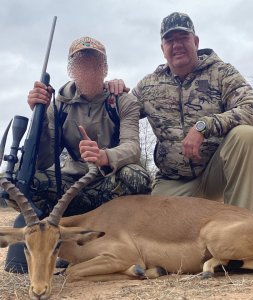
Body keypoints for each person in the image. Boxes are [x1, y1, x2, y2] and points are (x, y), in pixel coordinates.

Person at [5, 36, 151, 273]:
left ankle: (120, 242)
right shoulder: (58, 106)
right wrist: (38, 117)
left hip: (107, 181)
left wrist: (105, 156)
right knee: (22, 184)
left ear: (104, 67)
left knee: (137, 177)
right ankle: (53, 245)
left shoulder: (123, 101)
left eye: (94, 63)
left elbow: (132, 147)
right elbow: (42, 160)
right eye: (81, 63)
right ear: (71, 69)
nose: (88, 69)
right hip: (72, 183)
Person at [130, 12, 253, 212]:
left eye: (183, 38)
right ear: (162, 48)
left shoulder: (222, 72)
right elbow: (123, 112)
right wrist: (112, 90)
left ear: (195, 41)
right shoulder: (148, 85)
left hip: (216, 174)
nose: (176, 45)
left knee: (247, 135)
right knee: (151, 229)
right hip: (174, 182)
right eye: (169, 40)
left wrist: (204, 126)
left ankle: (241, 223)